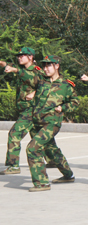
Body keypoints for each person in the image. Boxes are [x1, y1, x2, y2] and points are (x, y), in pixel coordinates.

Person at [19, 55, 78, 192]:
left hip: (52, 123)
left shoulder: (66, 85)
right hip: (36, 122)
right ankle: (68, 175)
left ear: (57, 66)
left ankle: (41, 183)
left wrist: (62, 108)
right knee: (51, 150)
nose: (46, 68)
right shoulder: (41, 81)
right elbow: (27, 77)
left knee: (33, 148)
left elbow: (75, 102)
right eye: (44, 66)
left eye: (49, 65)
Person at [0, 47, 55, 175]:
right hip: (25, 109)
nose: (19, 57)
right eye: (18, 56)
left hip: (31, 109)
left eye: (22, 56)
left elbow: (47, 85)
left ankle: (13, 166)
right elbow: (5, 64)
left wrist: (35, 93)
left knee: (14, 134)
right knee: (41, 137)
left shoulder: (36, 71)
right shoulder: (21, 69)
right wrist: (4, 64)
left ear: (30, 57)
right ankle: (53, 159)